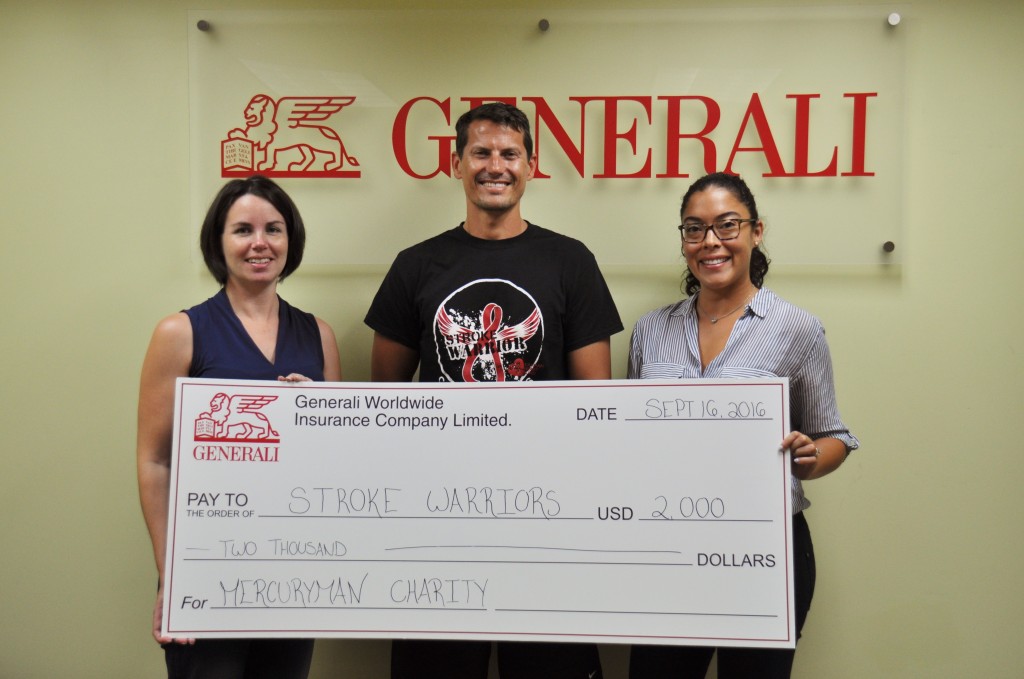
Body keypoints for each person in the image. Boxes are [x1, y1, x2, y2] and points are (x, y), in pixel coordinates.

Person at [365, 102, 623, 678]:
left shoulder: (570, 262)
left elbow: (597, 406)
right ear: (456, 165)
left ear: (531, 166)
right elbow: (381, 405)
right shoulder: (416, 266)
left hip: (545, 524)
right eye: (480, 153)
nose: (495, 165)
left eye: (509, 153)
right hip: (440, 526)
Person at [626, 172, 859, 679]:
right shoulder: (650, 330)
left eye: (726, 225)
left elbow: (834, 436)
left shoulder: (797, 327)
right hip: (667, 554)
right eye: (694, 228)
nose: (710, 241)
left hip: (766, 552)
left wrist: (809, 455)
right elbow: (631, 442)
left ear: (756, 231)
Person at [136, 175, 342, 679]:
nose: (259, 243)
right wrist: (173, 576)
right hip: (209, 572)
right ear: (218, 242)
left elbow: (338, 463)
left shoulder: (319, 335)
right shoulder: (180, 332)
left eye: (273, 229)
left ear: (290, 241)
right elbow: (155, 461)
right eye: (242, 230)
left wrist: (316, 417)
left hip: (293, 577)